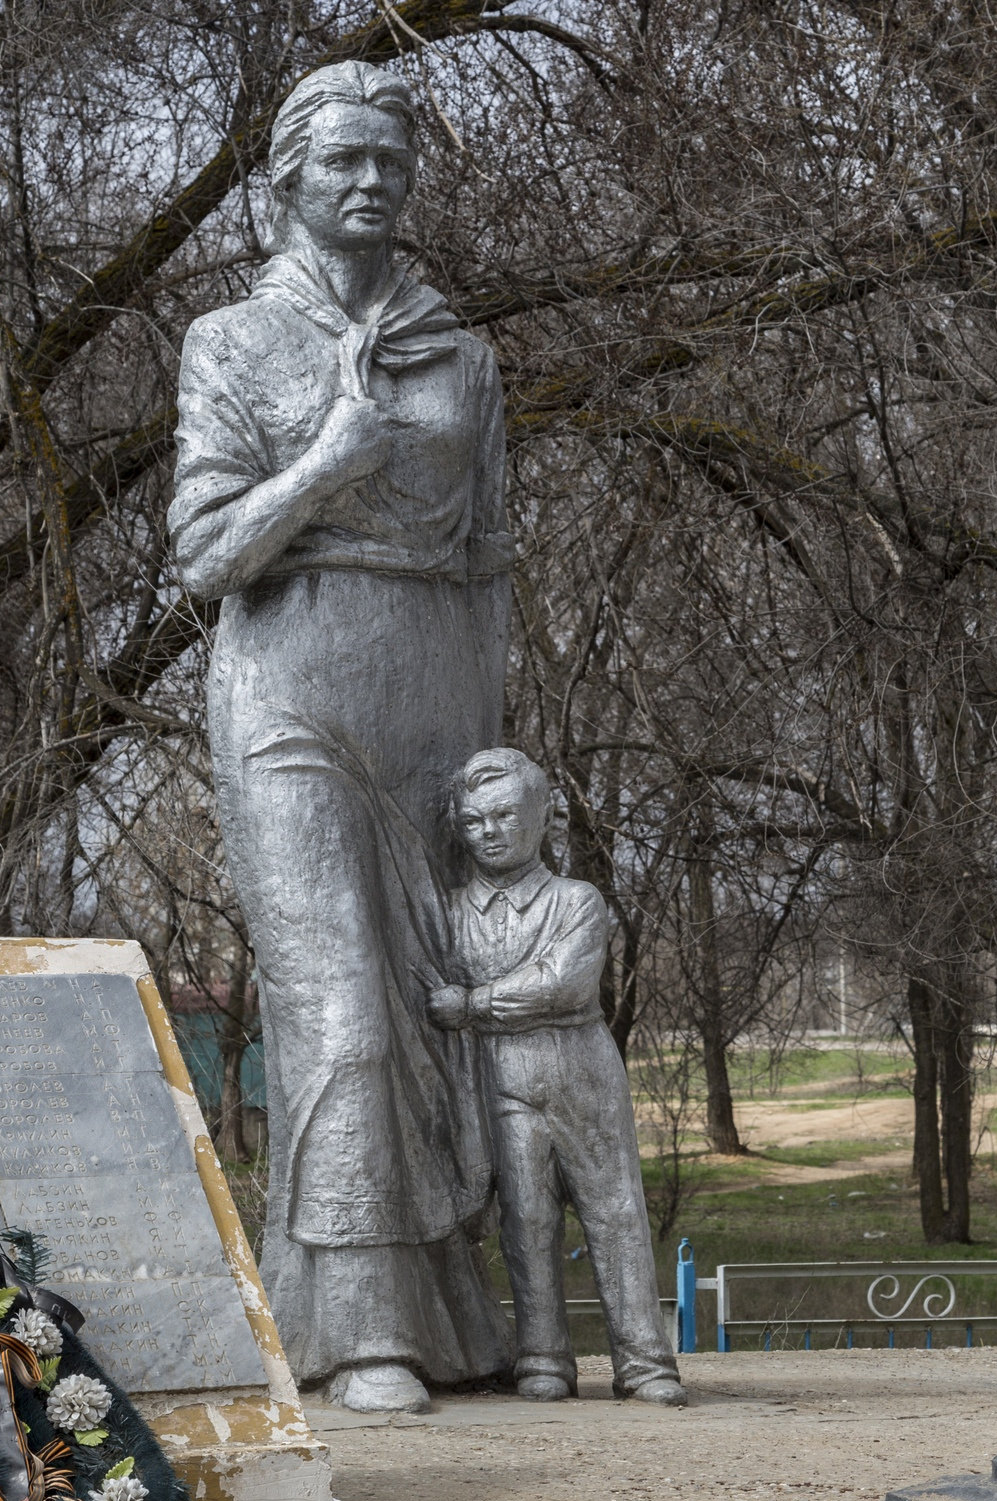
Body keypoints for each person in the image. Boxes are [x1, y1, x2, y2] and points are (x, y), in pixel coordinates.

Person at [170, 63, 515, 1413]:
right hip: (290, 690)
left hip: (435, 692)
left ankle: (459, 1320)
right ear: (288, 183)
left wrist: (494, 755)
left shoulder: (464, 357)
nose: (370, 180)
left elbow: (489, 565)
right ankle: (361, 1325)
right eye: (342, 162)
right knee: (342, 1008)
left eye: (390, 158)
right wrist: (328, 457)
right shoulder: (229, 343)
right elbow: (205, 554)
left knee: (436, 1008)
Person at [427, 750, 686, 1407]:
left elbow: (565, 986)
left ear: (541, 816)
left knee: (616, 1211)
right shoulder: (451, 913)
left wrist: (474, 1004)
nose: (489, 830)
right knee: (526, 1217)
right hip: (501, 1084)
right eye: (473, 820)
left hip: (583, 1077)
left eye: (505, 814)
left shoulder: (577, 901)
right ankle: (543, 1357)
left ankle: (645, 1361)